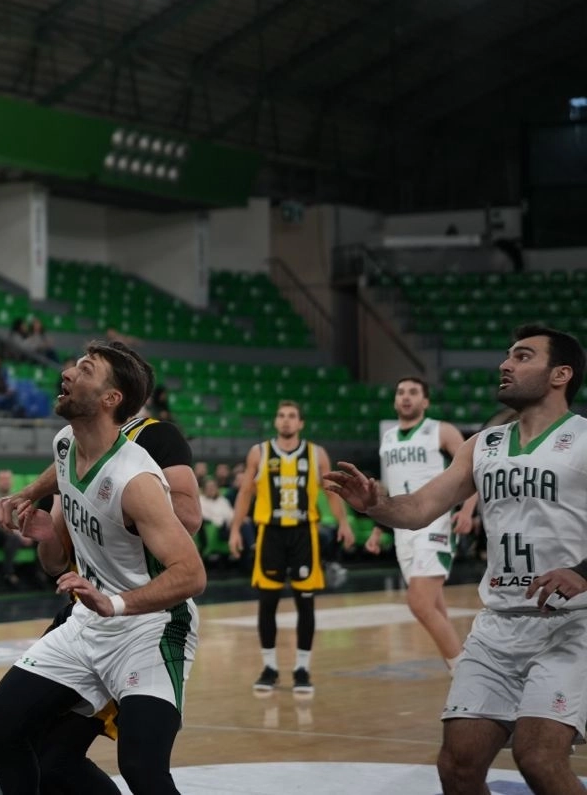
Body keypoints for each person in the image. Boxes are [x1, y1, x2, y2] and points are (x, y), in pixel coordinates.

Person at [325, 324, 587, 795]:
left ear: (560, 374)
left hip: (571, 626)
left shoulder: (585, 439)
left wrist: (583, 572)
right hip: (498, 627)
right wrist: (375, 505)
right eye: (508, 355)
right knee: (458, 767)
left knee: (538, 757)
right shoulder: (482, 445)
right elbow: (418, 508)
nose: (505, 365)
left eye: (523, 357)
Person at [0, 341, 206, 795]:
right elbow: (54, 542)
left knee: (142, 769)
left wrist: (114, 603)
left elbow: (192, 575)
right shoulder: (66, 445)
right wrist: (40, 520)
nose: (66, 373)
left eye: (84, 370)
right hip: (89, 621)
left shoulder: (136, 479)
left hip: (150, 628)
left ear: (110, 398)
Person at [227, 400, 356, 695]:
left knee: (305, 602)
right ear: (276, 421)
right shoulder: (259, 452)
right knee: (267, 602)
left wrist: (343, 523)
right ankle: (269, 668)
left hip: (303, 533)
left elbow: (331, 493)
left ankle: (302, 669)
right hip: (270, 532)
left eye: (292, 416)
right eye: (281, 415)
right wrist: (235, 529)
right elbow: (245, 492)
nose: (286, 420)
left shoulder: (316, 453)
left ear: (300, 423)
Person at [364, 376, 472, 668]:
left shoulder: (441, 430)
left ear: (425, 401)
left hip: (435, 522)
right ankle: (462, 669)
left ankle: (464, 674)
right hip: (402, 528)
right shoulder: (388, 438)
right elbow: (390, 487)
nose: (406, 397)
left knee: (419, 603)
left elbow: (474, 468)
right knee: (434, 608)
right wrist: (379, 527)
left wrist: (467, 510)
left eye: (413, 392)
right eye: (400, 392)